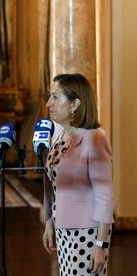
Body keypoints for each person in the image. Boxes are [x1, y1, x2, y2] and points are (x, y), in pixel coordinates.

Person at [42, 73, 115, 275]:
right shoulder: (59, 133)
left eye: (56, 97)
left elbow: (105, 195)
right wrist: (49, 221)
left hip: (88, 232)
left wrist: (100, 244)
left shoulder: (95, 138)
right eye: (50, 96)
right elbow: (51, 183)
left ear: (75, 104)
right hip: (62, 228)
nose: (49, 103)